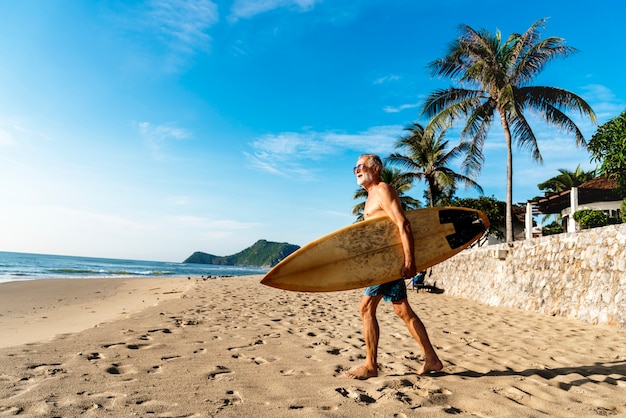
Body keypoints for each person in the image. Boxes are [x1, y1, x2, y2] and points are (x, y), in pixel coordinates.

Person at [345, 154, 443, 380]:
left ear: (375, 168)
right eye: (355, 168)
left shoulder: (382, 190)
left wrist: (410, 260)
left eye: (361, 166)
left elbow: (403, 223)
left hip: (387, 264)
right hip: (383, 263)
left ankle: (371, 365)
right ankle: (432, 359)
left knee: (366, 308)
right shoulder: (370, 196)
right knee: (402, 310)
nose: (357, 171)